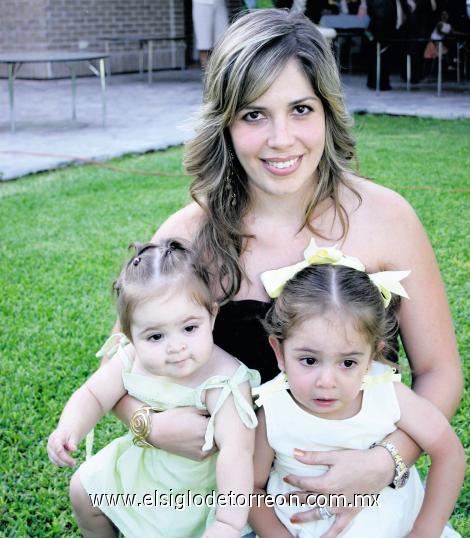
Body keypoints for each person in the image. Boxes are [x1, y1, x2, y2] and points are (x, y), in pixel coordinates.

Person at [105, 9, 462, 537]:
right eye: (254, 114)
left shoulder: (389, 219)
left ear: (327, 111)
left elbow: (438, 371)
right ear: (224, 122)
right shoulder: (188, 234)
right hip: (223, 499)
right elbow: (118, 359)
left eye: (300, 109)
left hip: (355, 500)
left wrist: (387, 461)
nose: (281, 139)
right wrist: (148, 425)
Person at [47, 240, 260, 538]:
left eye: (189, 328)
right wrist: (69, 428)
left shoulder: (224, 378)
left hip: (200, 492)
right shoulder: (132, 358)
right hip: (144, 469)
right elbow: (93, 395)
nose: (176, 347)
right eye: (156, 336)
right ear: (130, 335)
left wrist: (227, 522)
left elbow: (238, 452)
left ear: (211, 316)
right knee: (83, 489)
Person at [249, 257, 465, 537]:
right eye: (309, 360)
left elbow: (450, 454)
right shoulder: (274, 410)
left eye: (348, 363)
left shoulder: (387, 395)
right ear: (279, 352)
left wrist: (425, 531)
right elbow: (250, 488)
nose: (327, 381)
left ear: (372, 355)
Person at [192, 0, 229, 68]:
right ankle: (207, 74)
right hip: (202, 3)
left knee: (223, 40)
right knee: (204, 42)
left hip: (220, 3)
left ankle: (220, 72)